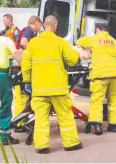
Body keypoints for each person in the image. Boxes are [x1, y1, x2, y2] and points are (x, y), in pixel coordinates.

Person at [21, 16, 82, 154]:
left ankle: (42, 146)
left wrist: (26, 81)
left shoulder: (33, 43)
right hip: (58, 88)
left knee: (41, 118)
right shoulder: (61, 42)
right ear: (55, 26)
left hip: (39, 89)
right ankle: (71, 143)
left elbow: (26, 64)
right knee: (65, 116)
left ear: (44, 25)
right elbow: (72, 60)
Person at [75, 23, 116, 135]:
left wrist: (86, 50)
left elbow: (79, 42)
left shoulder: (95, 38)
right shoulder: (114, 41)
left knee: (97, 101)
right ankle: (113, 126)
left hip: (100, 75)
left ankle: (97, 125)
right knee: (114, 101)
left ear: (98, 30)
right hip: (115, 75)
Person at [12, 16, 42, 132]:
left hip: (21, 66)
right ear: (35, 23)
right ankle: (19, 123)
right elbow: (24, 43)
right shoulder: (29, 30)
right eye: (39, 25)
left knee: (21, 98)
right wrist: (35, 51)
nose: (40, 28)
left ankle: (19, 122)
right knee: (23, 98)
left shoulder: (28, 31)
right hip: (23, 67)